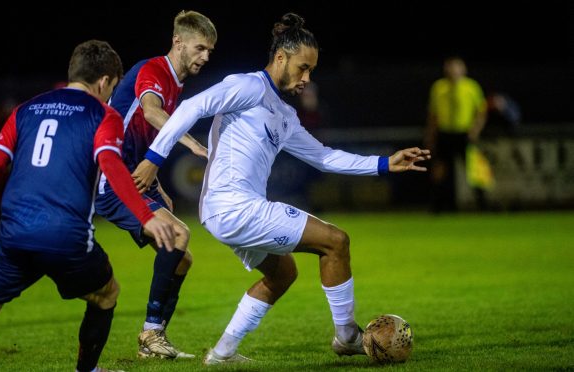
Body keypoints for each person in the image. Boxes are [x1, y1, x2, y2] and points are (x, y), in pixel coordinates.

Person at [132, 13, 430, 364]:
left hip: (229, 211)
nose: (307, 78)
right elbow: (192, 107)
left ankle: (223, 352)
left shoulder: (285, 115)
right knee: (336, 242)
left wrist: (384, 163)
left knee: (282, 273)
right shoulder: (248, 86)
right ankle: (348, 336)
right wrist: (154, 156)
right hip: (233, 206)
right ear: (280, 58)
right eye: (303, 68)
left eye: (312, 71)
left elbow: (323, 157)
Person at [0, 40, 177, 372]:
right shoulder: (104, 114)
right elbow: (112, 165)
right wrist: (146, 216)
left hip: (14, 233)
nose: (110, 94)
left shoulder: (26, 109)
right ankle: (86, 370)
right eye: (112, 87)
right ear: (104, 81)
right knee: (106, 294)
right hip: (66, 235)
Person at [94, 10, 216, 360]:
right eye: (200, 48)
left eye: (210, 50)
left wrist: (157, 180)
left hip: (137, 177)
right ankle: (151, 333)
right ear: (178, 42)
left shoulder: (175, 84)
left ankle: (154, 341)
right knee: (178, 235)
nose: (205, 56)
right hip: (114, 178)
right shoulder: (153, 70)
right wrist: (192, 143)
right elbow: (150, 112)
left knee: (181, 259)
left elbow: (143, 133)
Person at [424, 56, 487, 212]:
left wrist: (475, 130)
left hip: (464, 134)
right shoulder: (439, 87)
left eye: (456, 67)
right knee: (440, 170)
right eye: (450, 67)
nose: (453, 71)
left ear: (463, 69)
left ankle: (483, 204)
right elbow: (433, 114)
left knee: (473, 169)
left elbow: (481, 111)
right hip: (445, 133)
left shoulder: (471, 87)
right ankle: (437, 206)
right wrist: (431, 135)